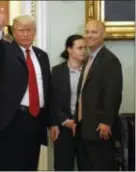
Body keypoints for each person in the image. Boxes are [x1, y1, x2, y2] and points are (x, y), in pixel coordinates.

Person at [0, 7, 59, 170]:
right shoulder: (6, 52)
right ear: (13, 32)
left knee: (30, 165)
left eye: (29, 30)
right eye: (21, 30)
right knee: (13, 166)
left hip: (36, 120)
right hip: (13, 120)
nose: (25, 34)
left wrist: (53, 122)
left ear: (34, 32)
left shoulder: (42, 56)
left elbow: (48, 90)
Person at [76, 20, 123, 170]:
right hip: (85, 127)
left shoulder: (110, 60)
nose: (89, 36)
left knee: (101, 166)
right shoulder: (89, 59)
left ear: (104, 34)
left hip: (100, 128)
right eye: (87, 32)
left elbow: (113, 93)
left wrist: (106, 122)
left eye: (94, 32)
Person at [52, 34, 86, 170]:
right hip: (63, 127)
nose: (84, 50)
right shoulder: (57, 71)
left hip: (85, 127)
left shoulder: (90, 70)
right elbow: (52, 100)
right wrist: (65, 121)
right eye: (80, 48)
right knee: (63, 166)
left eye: (85, 47)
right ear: (69, 50)